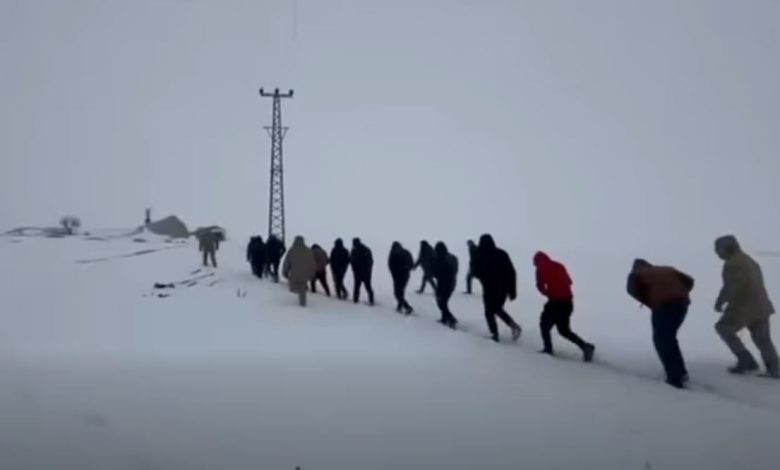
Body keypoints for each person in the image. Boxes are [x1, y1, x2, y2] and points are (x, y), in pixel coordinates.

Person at [713, 235, 778, 378]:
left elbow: (733, 287)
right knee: (763, 339)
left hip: (744, 308)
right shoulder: (748, 260)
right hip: (761, 306)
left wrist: (723, 303)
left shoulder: (732, 264)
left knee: (723, 328)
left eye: (718, 249)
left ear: (725, 249)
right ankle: (774, 368)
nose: (717, 253)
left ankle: (746, 361)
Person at [626, 258, 695, 389]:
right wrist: (681, 293)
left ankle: (675, 377)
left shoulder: (635, 274)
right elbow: (690, 281)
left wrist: (650, 302)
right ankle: (680, 372)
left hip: (663, 306)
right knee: (669, 338)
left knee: (662, 341)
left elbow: (631, 290)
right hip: (682, 305)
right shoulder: (667, 269)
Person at [533, 251, 595, 362]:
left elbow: (540, 286)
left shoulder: (540, 270)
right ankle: (585, 346)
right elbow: (569, 282)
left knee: (544, 325)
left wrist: (547, 293)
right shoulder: (559, 265)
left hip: (555, 302)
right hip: (567, 302)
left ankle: (548, 349)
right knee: (564, 330)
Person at [473, 234, 522, 343]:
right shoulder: (501, 254)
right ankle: (513, 327)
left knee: (490, 312)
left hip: (490, 288)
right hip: (501, 289)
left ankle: (495, 334)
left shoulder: (480, 254)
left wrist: (479, 275)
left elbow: (476, 272)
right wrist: (512, 291)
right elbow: (511, 273)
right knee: (496, 309)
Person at [282, 236, 317, 307]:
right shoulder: (308, 250)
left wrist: (285, 271)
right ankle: (302, 302)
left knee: (294, 288)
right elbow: (312, 263)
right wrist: (312, 273)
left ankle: (300, 298)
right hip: (305, 273)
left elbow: (287, 262)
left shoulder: (292, 250)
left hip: (294, 273)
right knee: (302, 287)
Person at [432, 242, 459, 328]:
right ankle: (444, 318)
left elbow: (438, 273)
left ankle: (451, 319)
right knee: (443, 302)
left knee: (441, 303)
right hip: (451, 283)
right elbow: (455, 270)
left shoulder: (441, 259)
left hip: (444, 284)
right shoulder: (451, 257)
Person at [388, 242, 414, 314]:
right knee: (398, 293)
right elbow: (390, 265)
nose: (395, 250)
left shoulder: (405, 253)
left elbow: (411, 264)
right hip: (397, 277)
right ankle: (400, 306)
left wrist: (406, 269)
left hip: (404, 276)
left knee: (398, 293)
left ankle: (407, 307)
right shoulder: (393, 254)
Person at [350, 238, 375, 305]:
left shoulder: (354, 251)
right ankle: (371, 300)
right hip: (366, 273)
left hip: (359, 273)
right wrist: (368, 269)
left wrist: (354, 270)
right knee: (368, 287)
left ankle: (355, 300)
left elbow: (352, 261)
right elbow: (371, 261)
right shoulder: (366, 249)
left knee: (357, 287)